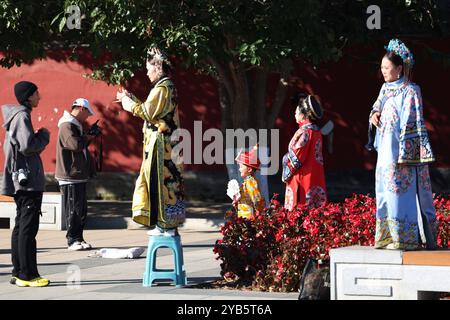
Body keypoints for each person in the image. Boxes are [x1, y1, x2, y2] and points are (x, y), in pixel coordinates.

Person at [369, 38, 437, 250]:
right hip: (384, 154)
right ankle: (387, 236)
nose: (384, 71)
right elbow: (376, 108)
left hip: (401, 154)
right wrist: (374, 116)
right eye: (382, 67)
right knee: (384, 192)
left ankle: (405, 239)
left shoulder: (411, 90)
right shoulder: (385, 89)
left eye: (387, 67)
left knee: (400, 193)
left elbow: (412, 122)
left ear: (399, 68)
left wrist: (405, 153)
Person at [116, 48, 185, 236]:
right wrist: (131, 99)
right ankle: (164, 225)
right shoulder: (165, 86)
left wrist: (126, 103)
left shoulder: (163, 87)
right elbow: (152, 112)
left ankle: (165, 225)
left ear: (158, 67)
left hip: (162, 145)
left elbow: (147, 112)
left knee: (160, 183)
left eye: (149, 68)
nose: (146, 72)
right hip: (165, 143)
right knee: (161, 183)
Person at [1, 81, 50, 287]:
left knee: (21, 226)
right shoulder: (21, 116)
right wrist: (44, 137)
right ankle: (26, 275)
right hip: (27, 181)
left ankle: (18, 272)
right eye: (37, 93)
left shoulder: (18, 116)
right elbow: (28, 146)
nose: (40, 96)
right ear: (28, 96)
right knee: (28, 229)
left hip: (22, 179)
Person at [55, 98, 96, 251]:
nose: (87, 117)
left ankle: (79, 238)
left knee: (81, 210)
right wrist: (88, 137)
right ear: (80, 108)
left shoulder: (74, 124)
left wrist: (87, 137)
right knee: (73, 209)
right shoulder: (66, 124)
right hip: (69, 175)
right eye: (87, 113)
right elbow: (74, 145)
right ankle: (72, 240)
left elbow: (79, 145)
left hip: (77, 174)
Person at [282, 94, 327, 210]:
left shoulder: (304, 132)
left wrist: (285, 163)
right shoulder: (316, 131)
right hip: (314, 175)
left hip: (302, 178)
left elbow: (296, 157)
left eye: (296, 112)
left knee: (301, 208)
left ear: (303, 115)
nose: (295, 114)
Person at [233, 144, 266, 219]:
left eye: (241, 167)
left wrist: (259, 213)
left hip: (249, 216)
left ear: (249, 169)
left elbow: (256, 199)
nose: (239, 169)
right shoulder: (248, 181)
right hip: (244, 214)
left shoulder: (251, 182)